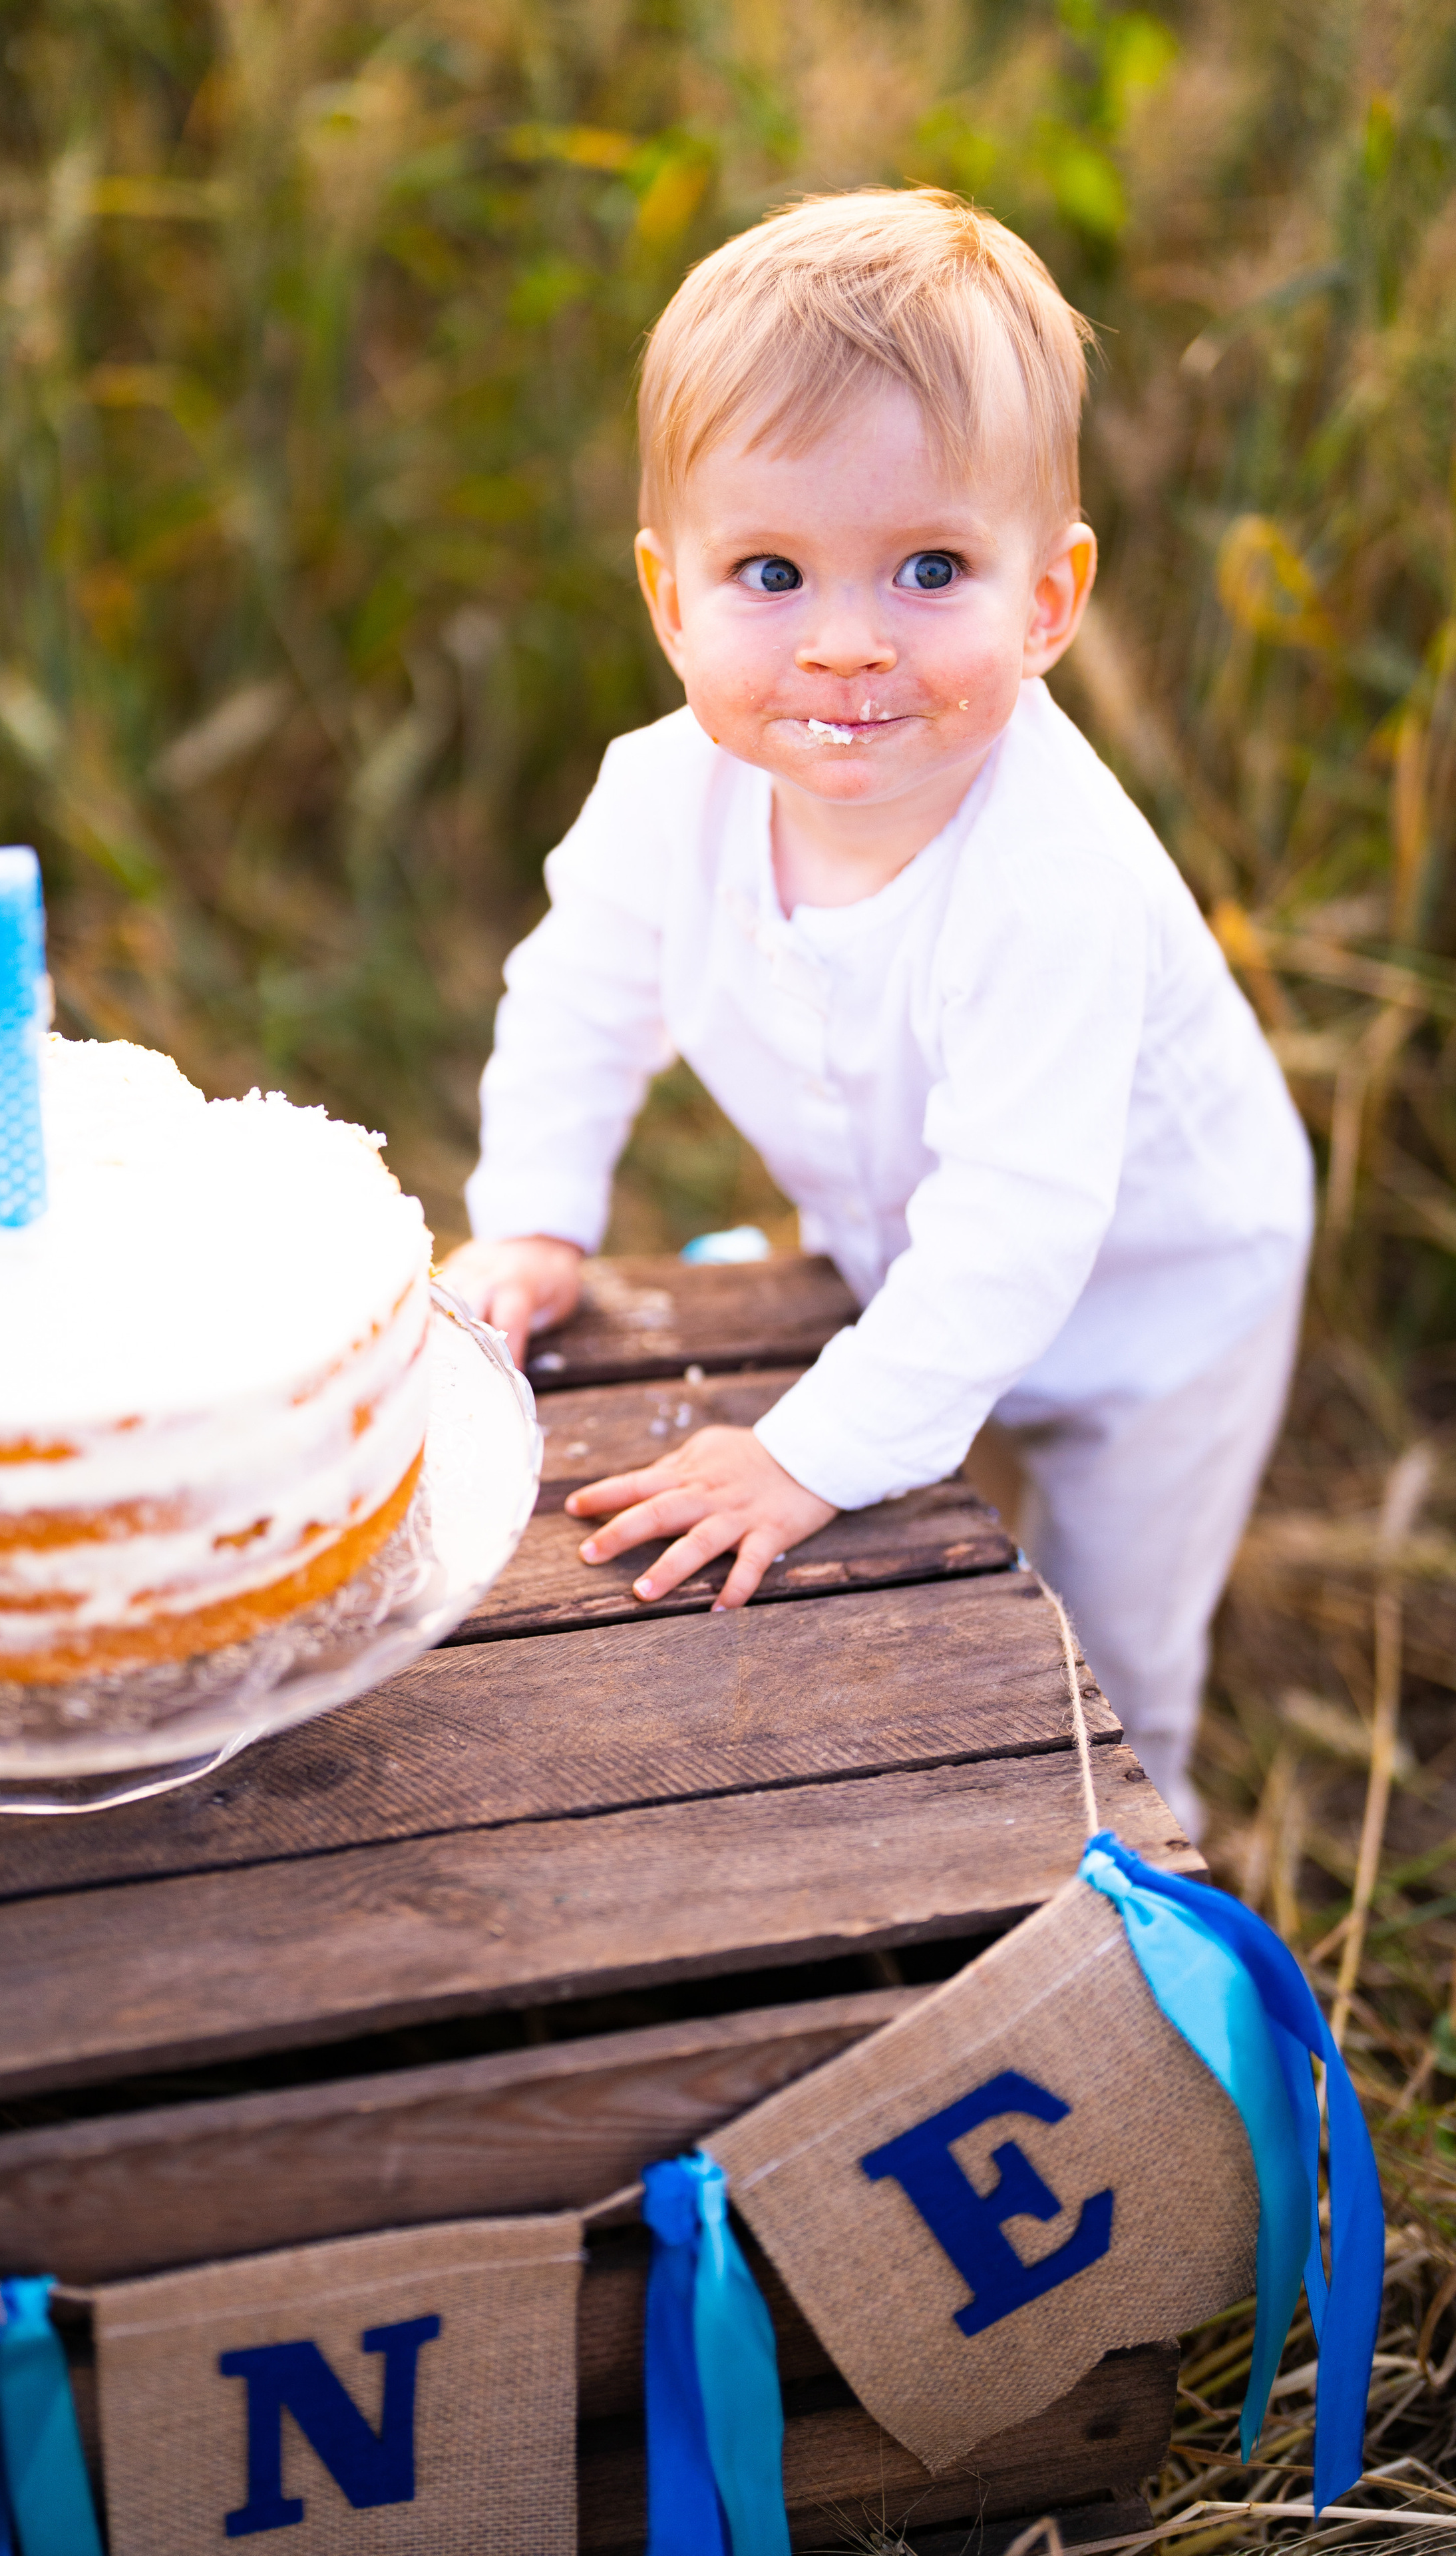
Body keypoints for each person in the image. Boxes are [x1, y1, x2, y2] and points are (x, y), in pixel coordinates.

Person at [443, 187, 1312, 1839]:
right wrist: (537, 1218)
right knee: (908, 1553)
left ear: (1049, 599)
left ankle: (1145, 1889)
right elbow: (572, 1003)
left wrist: (804, 1453)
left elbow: (1014, 1230)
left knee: (1108, 1645)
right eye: (768, 571)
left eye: (928, 569)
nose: (845, 645)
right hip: (901, 1231)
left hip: (1156, 1295)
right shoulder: (660, 799)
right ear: (666, 595)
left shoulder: (1046, 876)